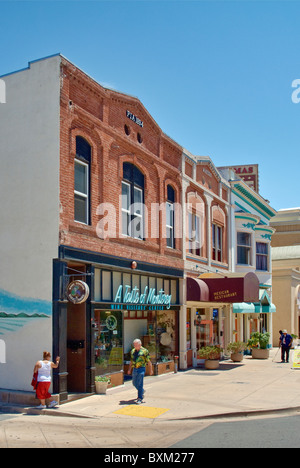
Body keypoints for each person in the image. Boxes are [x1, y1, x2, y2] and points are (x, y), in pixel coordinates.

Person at [127, 339, 153, 404]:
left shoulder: (144, 351)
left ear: (140, 344)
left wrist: (151, 370)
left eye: (136, 345)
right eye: (134, 345)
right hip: (135, 369)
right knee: (134, 383)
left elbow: (149, 361)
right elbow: (131, 361)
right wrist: (129, 369)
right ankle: (142, 391)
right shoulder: (133, 351)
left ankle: (140, 398)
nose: (135, 346)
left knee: (140, 383)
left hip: (141, 368)